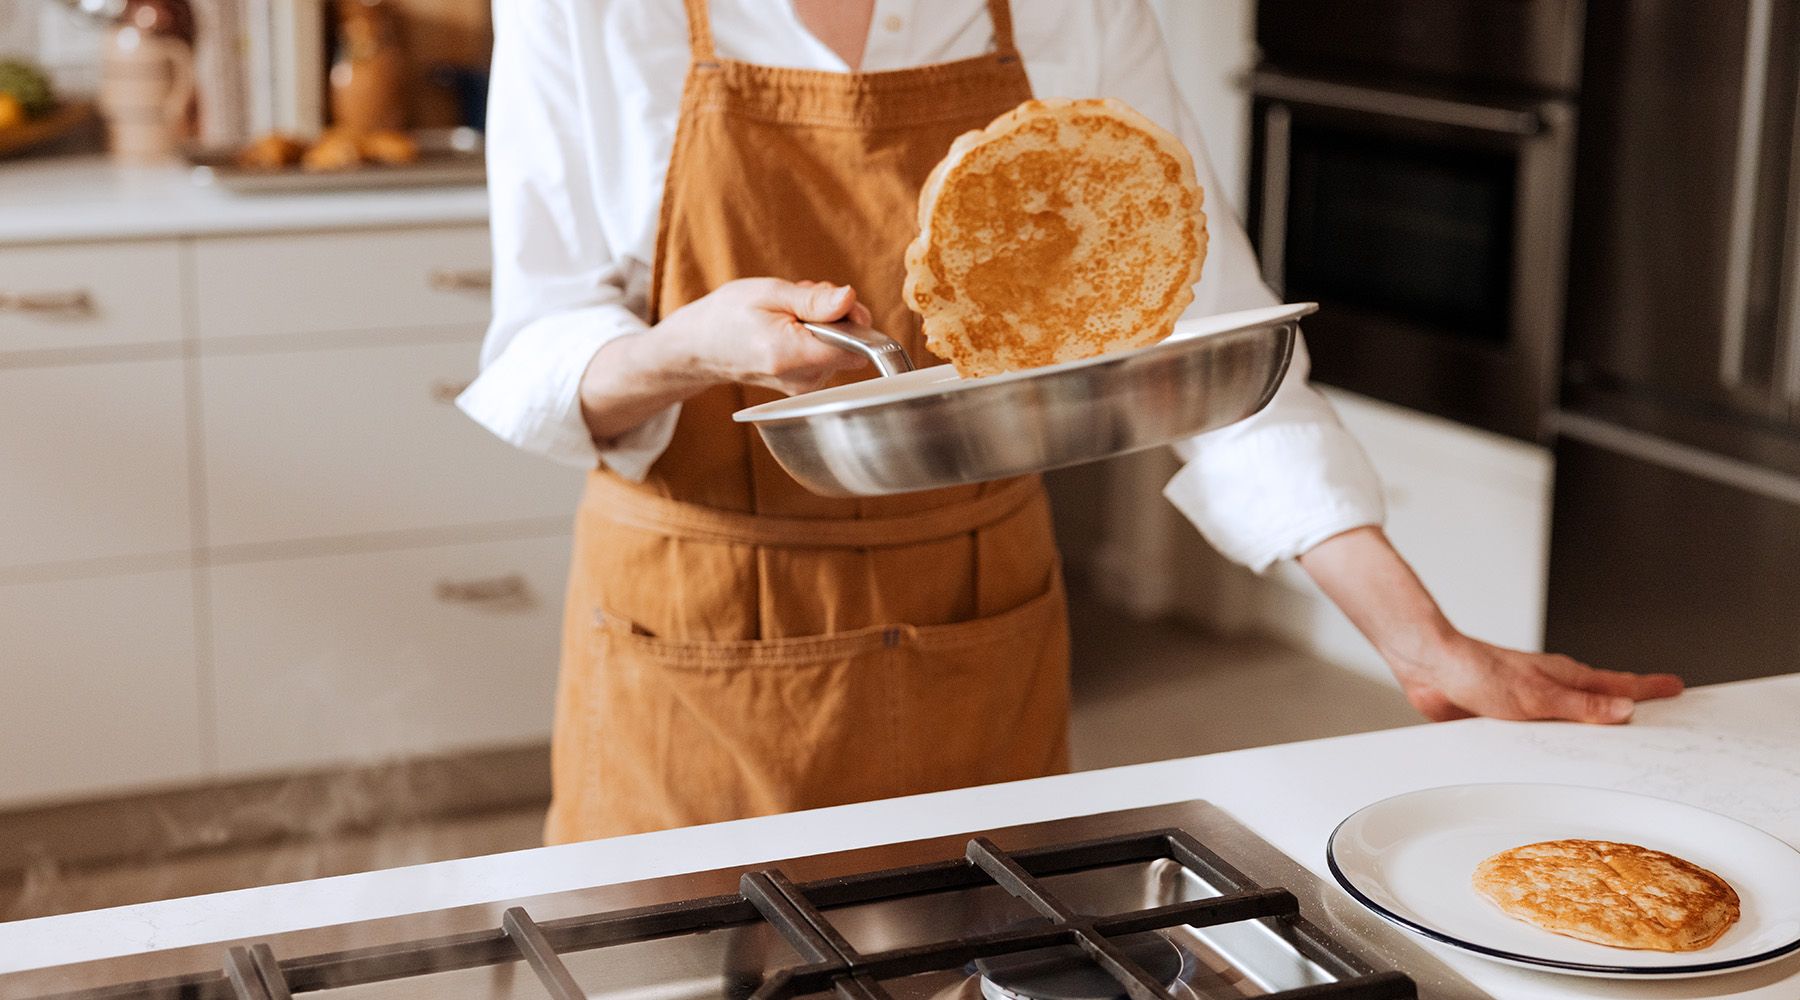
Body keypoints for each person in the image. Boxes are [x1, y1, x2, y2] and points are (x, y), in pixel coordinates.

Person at [459, 0, 1684, 843]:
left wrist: (1421, 640)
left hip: (975, 624)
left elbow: (1209, 342)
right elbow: (536, 348)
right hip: (697, 635)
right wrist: (690, 348)